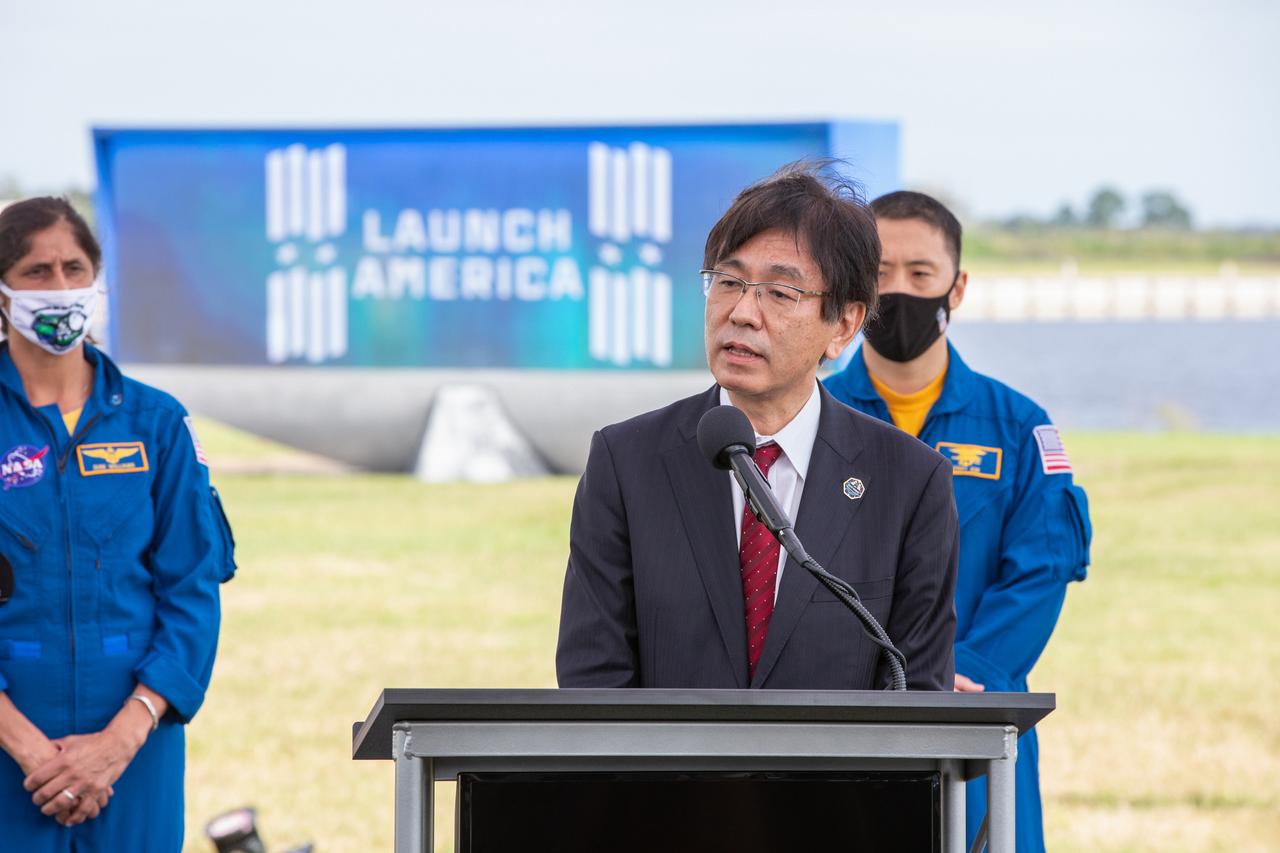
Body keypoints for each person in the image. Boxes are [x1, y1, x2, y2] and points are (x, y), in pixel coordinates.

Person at [556, 165, 958, 691]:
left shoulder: (909, 480)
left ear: (843, 325)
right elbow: (594, 681)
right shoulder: (626, 462)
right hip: (663, 775)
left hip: (842, 775)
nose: (742, 312)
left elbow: (918, 688)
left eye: (779, 293)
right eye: (728, 282)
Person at [824, 190, 1092, 851]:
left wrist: (958, 672)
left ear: (958, 286)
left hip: (975, 714)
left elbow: (1039, 572)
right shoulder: (810, 418)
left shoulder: (1019, 427)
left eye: (921, 273)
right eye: (881, 272)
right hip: (839, 720)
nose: (899, 291)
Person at [0, 197, 235, 850]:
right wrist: (33, 753)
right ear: (1, 289)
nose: (59, 287)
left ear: (98, 278)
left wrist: (120, 739)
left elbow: (193, 589)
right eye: (36, 271)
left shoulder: (157, 425)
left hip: (136, 748)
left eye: (74, 267)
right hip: (9, 747)